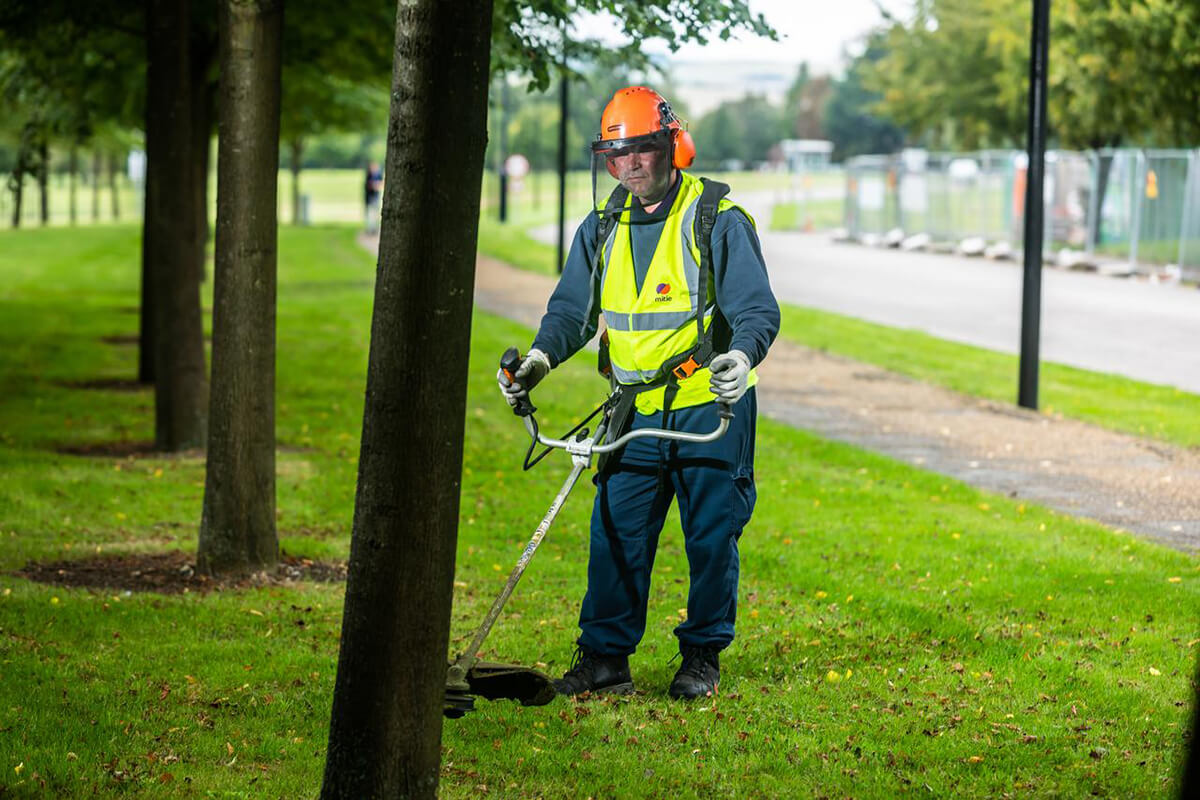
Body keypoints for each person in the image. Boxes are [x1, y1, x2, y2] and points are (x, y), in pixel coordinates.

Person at [497, 86, 779, 700]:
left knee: (711, 534)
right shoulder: (602, 225)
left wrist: (740, 356)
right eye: (616, 155)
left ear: (671, 146)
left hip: (710, 403)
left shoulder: (717, 220)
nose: (630, 166)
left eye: (643, 151)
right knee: (616, 533)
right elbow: (572, 312)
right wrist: (538, 363)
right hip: (632, 411)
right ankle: (605, 659)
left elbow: (757, 310)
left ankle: (702, 655)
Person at [363, 161, 383, 234]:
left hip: (376, 198)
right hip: (370, 198)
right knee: (370, 215)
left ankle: (374, 229)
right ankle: (370, 229)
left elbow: (381, 183)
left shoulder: (378, 175)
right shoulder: (369, 175)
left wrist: (377, 185)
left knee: (375, 214)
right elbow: (368, 186)